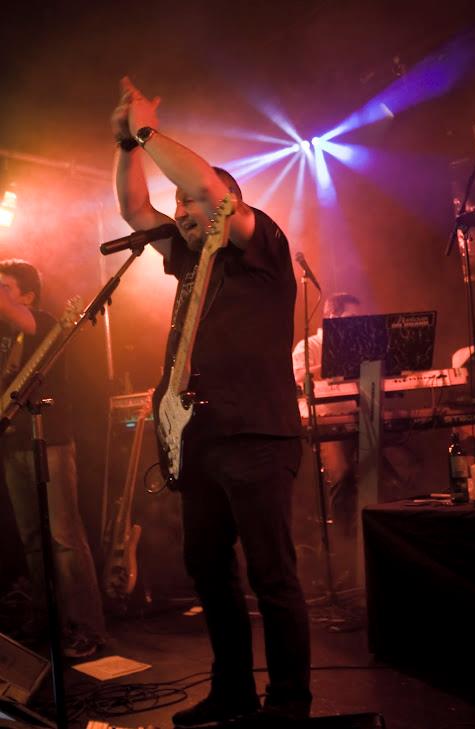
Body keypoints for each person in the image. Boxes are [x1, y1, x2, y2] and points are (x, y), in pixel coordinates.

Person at [111, 76, 312, 726]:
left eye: (191, 203)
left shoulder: (263, 248)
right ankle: (234, 691)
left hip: (256, 436)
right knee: (209, 570)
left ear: (228, 207)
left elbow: (205, 187)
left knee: (271, 575)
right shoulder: (190, 261)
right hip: (200, 440)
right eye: (179, 204)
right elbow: (135, 211)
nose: (182, 211)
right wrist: (125, 147)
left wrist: (147, 130)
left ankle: (289, 703)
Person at [0, 259, 106, 658]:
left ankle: (86, 627)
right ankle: (48, 621)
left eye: (5, 287)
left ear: (28, 296)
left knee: (64, 537)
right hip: (13, 444)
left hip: (51, 441)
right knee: (32, 539)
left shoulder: (44, 323)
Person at [292, 293, 360, 588]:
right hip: (327, 422)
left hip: (359, 417)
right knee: (342, 476)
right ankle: (344, 553)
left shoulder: (359, 344)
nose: (357, 323)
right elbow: (298, 376)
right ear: (332, 317)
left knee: (392, 467)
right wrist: (334, 362)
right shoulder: (310, 345)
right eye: (352, 318)